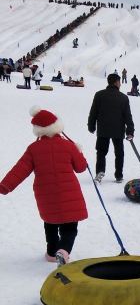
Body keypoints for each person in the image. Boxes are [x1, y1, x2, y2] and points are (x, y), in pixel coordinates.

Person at [0, 107, 88, 264]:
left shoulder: (33, 149)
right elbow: (81, 168)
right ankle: (64, 251)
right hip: (69, 192)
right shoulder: (68, 145)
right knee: (70, 226)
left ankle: (52, 252)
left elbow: (19, 170)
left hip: (45, 193)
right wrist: (79, 151)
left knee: (51, 222)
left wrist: (5, 186)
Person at [87, 72, 135, 184]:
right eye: (119, 82)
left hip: (103, 129)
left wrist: (91, 125)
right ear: (116, 82)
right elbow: (128, 116)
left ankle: (100, 171)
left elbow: (93, 112)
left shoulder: (99, 95)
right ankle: (119, 175)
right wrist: (130, 131)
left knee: (101, 152)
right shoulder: (123, 98)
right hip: (118, 130)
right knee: (119, 153)